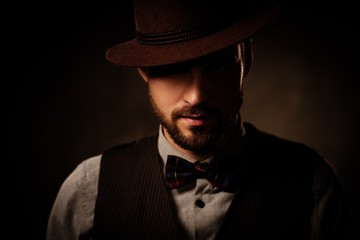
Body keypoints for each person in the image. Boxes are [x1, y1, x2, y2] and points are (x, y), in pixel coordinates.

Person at [46, 0, 357, 239]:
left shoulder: (314, 184)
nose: (196, 97)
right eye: (173, 69)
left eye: (219, 66)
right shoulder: (87, 190)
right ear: (144, 71)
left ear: (245, 58)